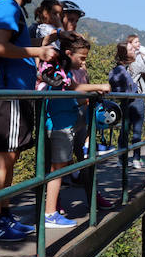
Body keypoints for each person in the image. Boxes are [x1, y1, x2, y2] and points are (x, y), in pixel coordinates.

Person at [0, 0, 59, 242]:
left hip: (15, 91)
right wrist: (38, 53)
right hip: (8, 91)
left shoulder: (12, 9)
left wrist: (44, 43)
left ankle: (3, 213)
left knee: (11, 154)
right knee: (4, 155)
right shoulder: (6, 7)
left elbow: (15, 45)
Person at [38, 31, 111, 228]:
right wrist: (99, 86)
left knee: (60, 166)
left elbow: (76, 87)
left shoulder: (64, 71)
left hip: (65, 122)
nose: (83, 62)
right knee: (57, 169)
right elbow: (74, 88)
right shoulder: (59, 72)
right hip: (60, 125)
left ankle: (51, 210)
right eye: (81, 58)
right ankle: (50, 213)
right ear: (69, 53)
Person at [108, 43, 145, 170]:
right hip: (134, 101)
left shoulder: (115, 70)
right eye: (130, 49)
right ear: (124, 54)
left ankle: (121, 158)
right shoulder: (122, 71)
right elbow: (130, 88)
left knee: (124, 130)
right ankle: (136, 158)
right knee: (137, 131)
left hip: (124, 102)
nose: (133, 50)